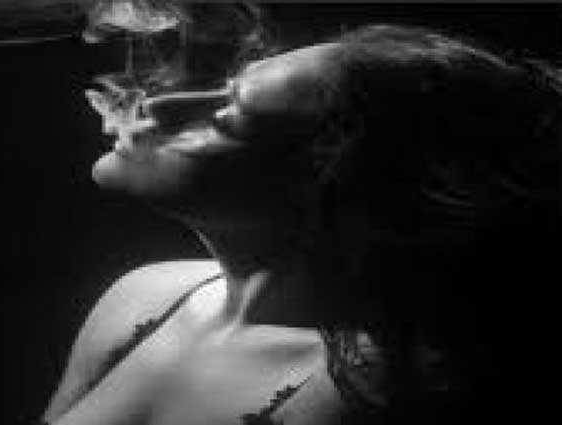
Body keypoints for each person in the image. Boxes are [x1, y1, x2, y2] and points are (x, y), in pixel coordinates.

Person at [40, 24, 560, 425]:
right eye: (222, 89)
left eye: (224, 117)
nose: (159, 106)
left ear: (328, 189)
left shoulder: (378, 394)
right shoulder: (142, 296)